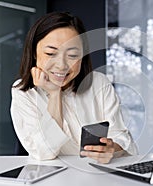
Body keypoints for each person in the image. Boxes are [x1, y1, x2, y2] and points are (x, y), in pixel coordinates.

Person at [10, 11, 137, 164]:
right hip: (54, 181)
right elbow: (44, 152)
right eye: (51, 53)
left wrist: (112, 148)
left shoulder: (99, 83)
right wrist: (54, 93)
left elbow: (124, 140)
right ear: (34, 53)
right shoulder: (23, 92)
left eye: (72, 56)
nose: (62, 65)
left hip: (100, 177)